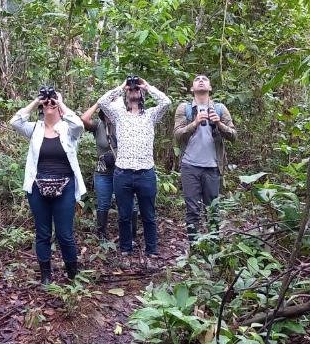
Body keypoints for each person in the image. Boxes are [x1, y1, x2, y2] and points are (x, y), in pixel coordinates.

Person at [9, 88, 86, 285]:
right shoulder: (35, 128)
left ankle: (72, 276)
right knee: (42, 233)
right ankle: (45, 276)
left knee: (64, 234)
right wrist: (36, 101)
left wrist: (60, 101)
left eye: (53, 102)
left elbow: (78, 123)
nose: (49, 104)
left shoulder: (69, 130)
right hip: (37, 187)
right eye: (47, 102)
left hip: (66, 186)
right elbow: (15, 122)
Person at [97, 76, 171, 270]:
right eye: (131, 90)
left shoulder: (151, 115)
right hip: (123, 172)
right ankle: (125, 251)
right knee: (124, 215)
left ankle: (152, 252)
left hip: (146, 172)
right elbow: (103, 102)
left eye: (136, 89)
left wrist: (147, 86)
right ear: (126, 95)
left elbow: (166, 102)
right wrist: (121, 87)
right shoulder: (118, 115)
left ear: (142, 94)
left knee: (148, 215)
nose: (133, 90)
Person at [173, 74, 237, 242]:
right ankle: (194, 248)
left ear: (210, 88)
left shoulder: (220, 108)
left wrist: (219, 124)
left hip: (212, 166)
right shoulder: (184, 108)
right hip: (189, 166)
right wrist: (194, 123)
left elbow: (233, 135)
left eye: (204, 79)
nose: (201, 80)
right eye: (197, 79)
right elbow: (177, 135)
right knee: (192, 210)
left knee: (213, 209)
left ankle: (214, 248)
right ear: (192, 89)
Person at [79, 104, 138, 241]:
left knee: (129, 204)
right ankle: (102, 236)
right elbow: (84, 118)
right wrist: (99, 103)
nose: (109, 115)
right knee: (103, 204)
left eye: (112, 112)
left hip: (124, 170)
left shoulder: (125, 125)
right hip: (103, 172)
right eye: (106, 112)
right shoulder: (98, 126)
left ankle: (131, 235)